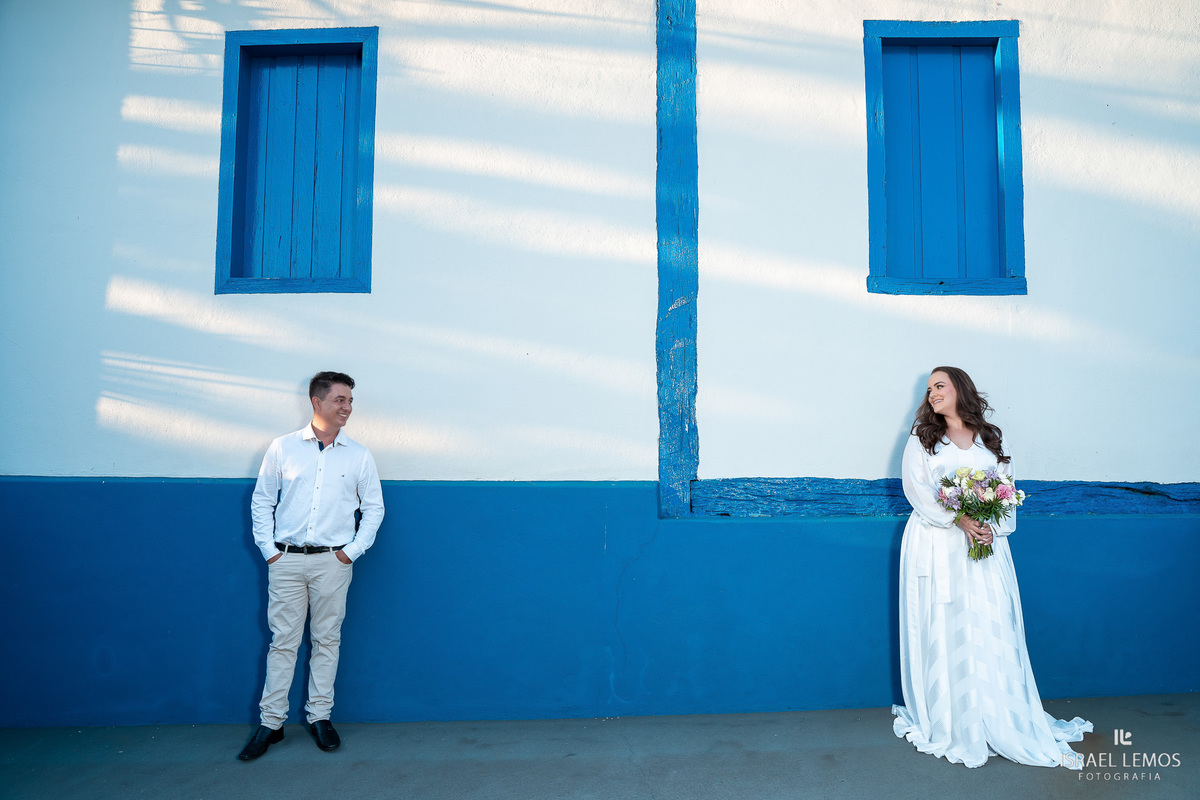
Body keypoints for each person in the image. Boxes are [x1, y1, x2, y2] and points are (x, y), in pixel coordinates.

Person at [892, 366, 1091, 768]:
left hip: (984, 544)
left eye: (940, 385)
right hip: (938, 543)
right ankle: (954, 716)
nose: (932, 393)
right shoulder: (923, 438)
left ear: (960, 389)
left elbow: (1006, 489)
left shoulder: (990, 438)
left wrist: (990, 527)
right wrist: (959, 520)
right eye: (929, 388)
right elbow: (916, 489)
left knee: (989, 622)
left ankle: (1000, 713)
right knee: (946, 623)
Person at [238, 371, 385, 761]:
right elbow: (262, 502)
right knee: (282, 642)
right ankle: (271, 724)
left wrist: (349, 553)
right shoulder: (283, 448)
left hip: (333, 564)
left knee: (327, 640)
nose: (348, 407)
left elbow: (373, 510)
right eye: (340, 399)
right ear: (316, 402)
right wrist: (270, 550)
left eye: (350, 400)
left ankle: (320, 717)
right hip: (285, 561)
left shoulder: (359, 455)